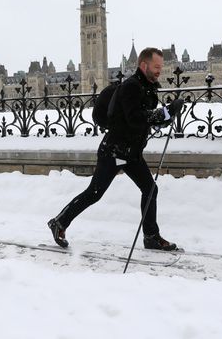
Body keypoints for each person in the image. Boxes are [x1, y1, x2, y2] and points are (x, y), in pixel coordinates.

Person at [47, 47, 184, 251]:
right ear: (144, 65)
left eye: (161, 67)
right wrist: (161, 114)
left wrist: (167, 116)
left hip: (131, 153)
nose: (159, 71)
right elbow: (135, 118)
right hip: (115, 152)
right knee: (95, 192)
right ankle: (59, 222)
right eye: (156, 67)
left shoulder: (149, 87)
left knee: (149, 188)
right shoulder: (131, 87)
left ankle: (151, 236)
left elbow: (146, 121)